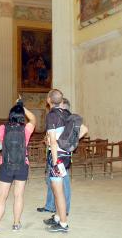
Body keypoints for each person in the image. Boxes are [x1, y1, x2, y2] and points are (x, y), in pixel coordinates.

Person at [0, 98, 36, 232]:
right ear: (22, 117)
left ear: (10, 115)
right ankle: (16, 224)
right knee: (18, 195)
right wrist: (22, 106)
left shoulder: (3, 128)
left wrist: (2, 146)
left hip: (6, 166)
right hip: (22, 165)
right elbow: (33, 119)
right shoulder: (26, 128)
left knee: (2, 196)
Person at [44, 89, 88, 233]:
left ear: (49, 100)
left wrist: (55, 161)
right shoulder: (67, 113)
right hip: (66, 155)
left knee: (58, 192)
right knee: (58, 189)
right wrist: (70, 144)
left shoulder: (51, 115)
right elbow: (85, 129)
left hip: (57, 158)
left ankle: (63, 224)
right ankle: (57, 217)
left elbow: (52, 141)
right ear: (61, 101)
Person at [37, 98, 71, 214]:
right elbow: (50, 138)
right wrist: (48, 140)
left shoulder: (68, 120)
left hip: (60, 157)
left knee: (64, 184)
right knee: (51, 181)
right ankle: (50, 206)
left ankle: (63, 210)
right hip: (53, 154)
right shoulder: (58, 119)